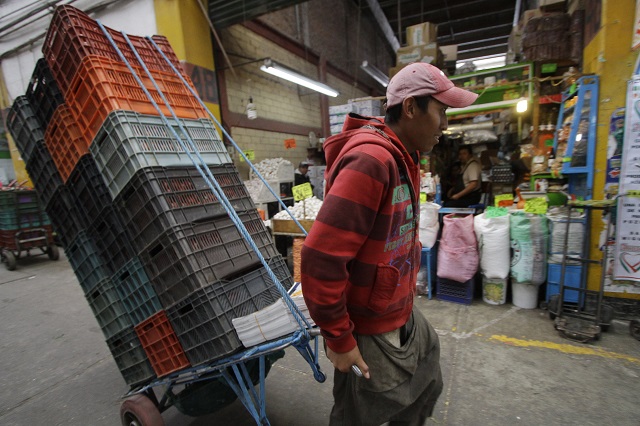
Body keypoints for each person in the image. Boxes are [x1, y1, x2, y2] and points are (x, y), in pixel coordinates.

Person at [301, 62, 478, 426]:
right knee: (359, 412)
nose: (446, 124)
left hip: (396, 305)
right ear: (411, 107)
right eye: (442, 111)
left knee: (427, 379)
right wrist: (339, 338)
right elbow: (320, 259)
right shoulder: (371, 161)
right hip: (367, 324)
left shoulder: (404, 156)